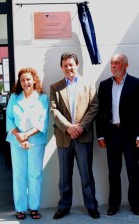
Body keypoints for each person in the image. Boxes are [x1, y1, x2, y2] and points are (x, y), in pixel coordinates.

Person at [96, 53, 139, 216]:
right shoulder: (104, 85)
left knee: (133, 170)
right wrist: (100, 135)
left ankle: (135, 204)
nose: (114, 66)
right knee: (113, 172)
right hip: (112, 134)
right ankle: (113, 205)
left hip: (131, 135)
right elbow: (100, 112)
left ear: (126, 65)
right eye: (112, 63)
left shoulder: (136, 83)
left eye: (117, 63)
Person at [50, 52, 99, 219]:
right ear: (61, 67)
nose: (68, 68)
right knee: (64, 176)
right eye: (65, 65)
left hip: (83, 136)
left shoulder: (88, 84)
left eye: (71, 64)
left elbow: (94, 107)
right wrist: (69, 128)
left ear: (77, 65)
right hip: (64, 137)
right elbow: (53, 110)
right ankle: (64, 206)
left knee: (86, 174)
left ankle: (91, 206)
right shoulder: (55, 87)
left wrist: (81, 127)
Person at [6, 68, 49, 220]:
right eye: (23, 80)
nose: (26, 82)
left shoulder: (43, 98)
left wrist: (27, 136)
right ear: (20, 82)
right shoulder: (14, 98)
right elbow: (9, 119)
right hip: (16, 141)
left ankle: (34, 207)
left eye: (28, 79)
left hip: (36, 141)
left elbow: (42, 121)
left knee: (35, 174)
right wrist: (20, 137)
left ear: (34, 80)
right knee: (19, 175)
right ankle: (20, 208)